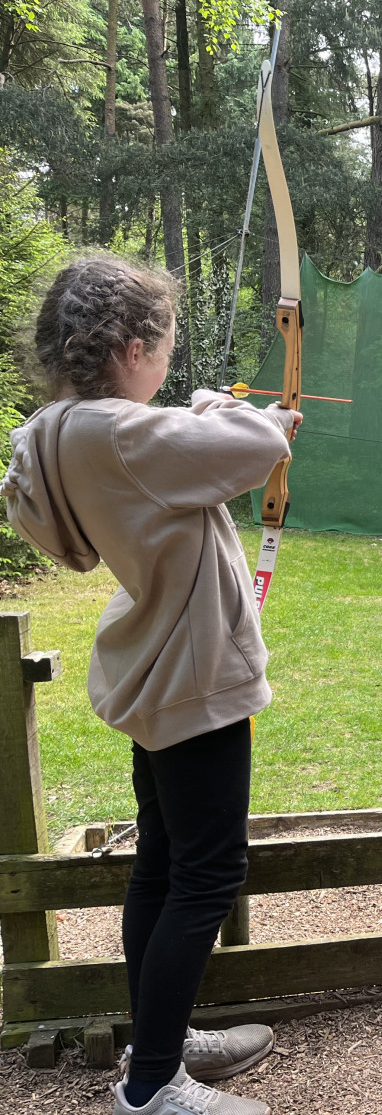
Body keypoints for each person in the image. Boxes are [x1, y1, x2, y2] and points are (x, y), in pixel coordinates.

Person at [3, 255, 303, 1114]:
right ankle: (152, 1086)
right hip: (191, 674)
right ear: (132, 349)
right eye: (164, 349)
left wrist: (206, 416)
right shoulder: (121, 433)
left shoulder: (56, 429)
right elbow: (257, 446)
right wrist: (223, 407)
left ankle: (157, 1041)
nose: (165, 368)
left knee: (166, 862)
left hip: (157, 668)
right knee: (207, 873)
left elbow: (72, 535)